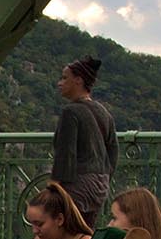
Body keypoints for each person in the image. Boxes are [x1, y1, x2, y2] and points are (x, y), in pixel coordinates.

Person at [50, 54, 117, 228]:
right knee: (85, 233)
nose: (60, 83)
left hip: (77, 184)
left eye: (65, 78)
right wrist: (104, 175)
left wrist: (54, 187)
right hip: (100, 185)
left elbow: (66, 153)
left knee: (63, 233)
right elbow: (113, 151)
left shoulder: (71, 112)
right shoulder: (104, 112)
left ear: (78, 81)